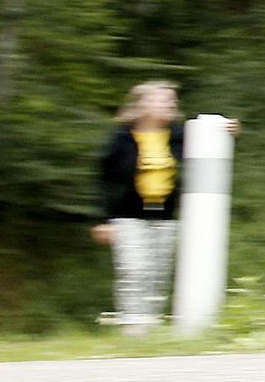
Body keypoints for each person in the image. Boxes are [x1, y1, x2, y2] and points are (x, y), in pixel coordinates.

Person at [91, 81, 237, 334]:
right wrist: (103, 219)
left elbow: (210, 137)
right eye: (162, 99)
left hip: (165, 216)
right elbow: (104, 179)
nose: (170, 104)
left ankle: (151, 326)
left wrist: (228, 129)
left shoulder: (179, 135)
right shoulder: (121, 138)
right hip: (127, 215)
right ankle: (134, 327)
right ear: (142, 104)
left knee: (158, 273)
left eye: (172, 101)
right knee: (134, 270)